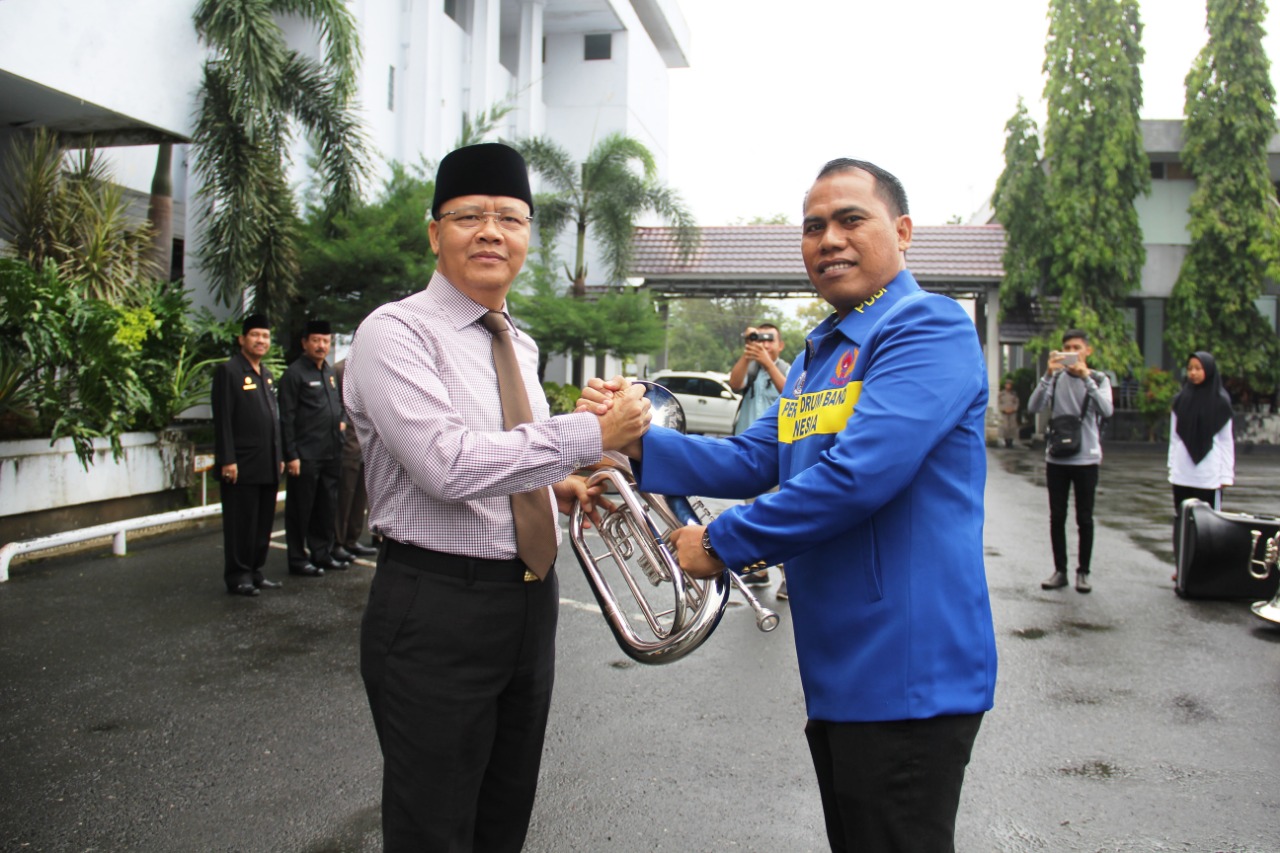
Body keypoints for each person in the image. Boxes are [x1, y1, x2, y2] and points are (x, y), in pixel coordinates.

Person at [582, 158, 997, 853]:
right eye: (813, 227)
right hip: (842, 670)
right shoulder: (816, 358)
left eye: (849, 220)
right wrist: (636, 444)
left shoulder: (925, 329)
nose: (828, 238)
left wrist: (719, 542)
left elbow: (858, 475)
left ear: (902, 231)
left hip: (909, 670)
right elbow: (755, 458)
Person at [342, 142, 652, 853]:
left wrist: (562, 484)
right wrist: (584, 432)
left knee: (502, 819)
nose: (491, 232)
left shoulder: (523, 345)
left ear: (527, 237)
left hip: (527, 603)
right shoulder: (396, 333)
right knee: (434, 829)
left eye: (510, 218)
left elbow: (509, 458)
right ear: (434, 233)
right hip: (436, 606)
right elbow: (446, 464)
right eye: (469, 216)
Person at [1027, 330, 1114, 593]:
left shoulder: (1099, 378)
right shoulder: (1055, 379)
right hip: (1057, 458)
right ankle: (1060, 570)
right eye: (1066, 347)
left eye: (1076, 347)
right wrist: (1047, 375)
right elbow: (1033, 407)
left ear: (1087, 351)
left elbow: (1107, 410)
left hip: (1086, 458)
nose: (1071, 351)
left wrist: (1086, 377)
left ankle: (1083, 572)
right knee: (1057, 517)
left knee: (1084, 518)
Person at [211, 313, 284, 597]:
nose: (261, 340)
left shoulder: (265, 374)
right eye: (255, 335)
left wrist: (279, 454)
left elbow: (273, 419)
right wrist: (227, 459)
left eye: (265, 336)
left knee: (263, 521)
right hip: (241, 464)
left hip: (267, 462)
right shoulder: (229, 371)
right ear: (242, 339)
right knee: (241, 522)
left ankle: (255, 570)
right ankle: (238, 575)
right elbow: (223, 420)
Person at [279, 320, 347, 577]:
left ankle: (322, 553)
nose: (321, 346)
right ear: (304, 342)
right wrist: (291, 454)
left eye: (326, 341)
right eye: (316, 340)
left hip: (330, 452)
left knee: (326, 507)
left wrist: (341, 420)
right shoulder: (294, 374)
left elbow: (339, 403)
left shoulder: (328, 372)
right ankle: (297, 558)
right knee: (300, 509)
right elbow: (286, 417)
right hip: (306, 456)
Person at [727, 323, 790, 593]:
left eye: (769, 339)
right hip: (748, 452)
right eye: (758, 339)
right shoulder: (751, 366)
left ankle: (789, 576)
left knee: (780, 517)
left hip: (778, 454)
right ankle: (759, 570)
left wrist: (768, 363)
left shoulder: (790, 368)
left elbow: (792, 394)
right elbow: (734, 383)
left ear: (780, 344)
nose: (764, 344)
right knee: (752, 514)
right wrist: (748, 354)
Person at [1168, 351, 1235, 545]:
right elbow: (1174, 438)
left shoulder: (1220, 403)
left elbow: (1225, 441)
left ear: (1209, 370)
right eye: (1190, 368)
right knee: (1182, 521)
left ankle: (1203, 569)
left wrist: (1226, 475)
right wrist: (1172, 467)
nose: (1193, 373)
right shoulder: (1180, 400)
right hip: (1182, 472)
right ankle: (1182, 566)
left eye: (1198, 368)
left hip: (1208, 475)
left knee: (1207, 526)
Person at [333, 358, 377, 561]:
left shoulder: (370, 367)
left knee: (361, 496)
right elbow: (337, 406)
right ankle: (338, 541)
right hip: (348, 443)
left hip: (366, 444)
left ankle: (352, 539)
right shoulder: (340, 369)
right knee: (345, 495)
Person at [998, 378, 1019, 448]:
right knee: (1005, 427)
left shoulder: (1014, 394)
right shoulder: (1001, 394)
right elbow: (999, 403)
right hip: (1005, 413)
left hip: (1012, 412)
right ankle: (1006, 440)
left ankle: (1011, 441)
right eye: (1007, 384)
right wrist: (1003, 409)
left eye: (1010, 385)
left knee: (1012, 427)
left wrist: (1014, 409)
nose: (1008, 386)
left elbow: (1016, 402)